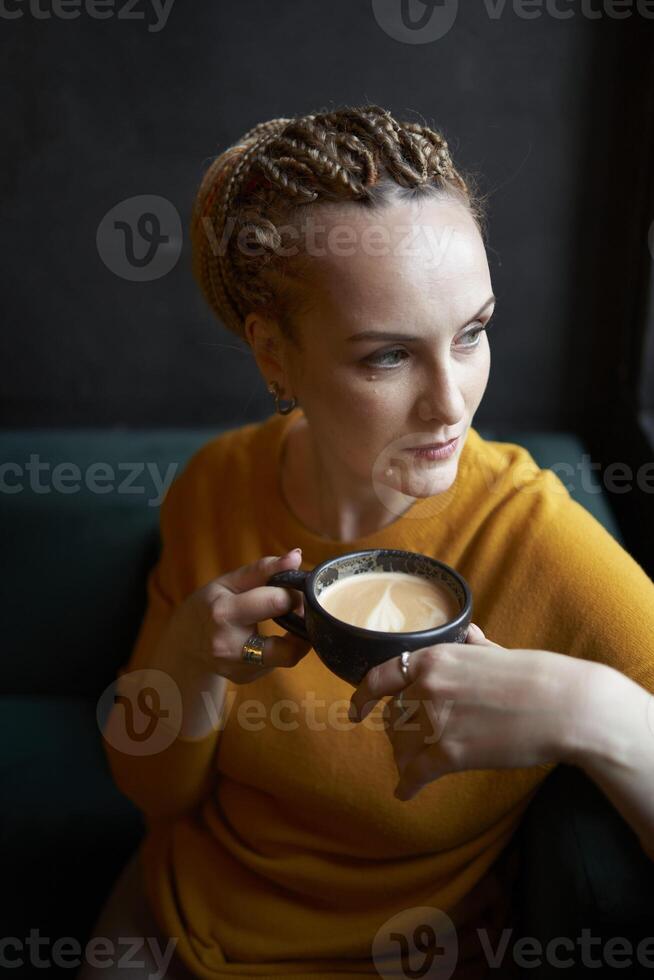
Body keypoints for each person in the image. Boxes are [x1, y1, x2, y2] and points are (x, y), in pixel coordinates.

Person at [79, 105, 654, 980]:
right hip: (169, 925)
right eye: (388, 357)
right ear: (275, 355)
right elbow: (152, 795)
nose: (451, 403)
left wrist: (591, 713)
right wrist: (186, 659)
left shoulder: (538, 538)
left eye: (473, 332)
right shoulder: (215, 486)